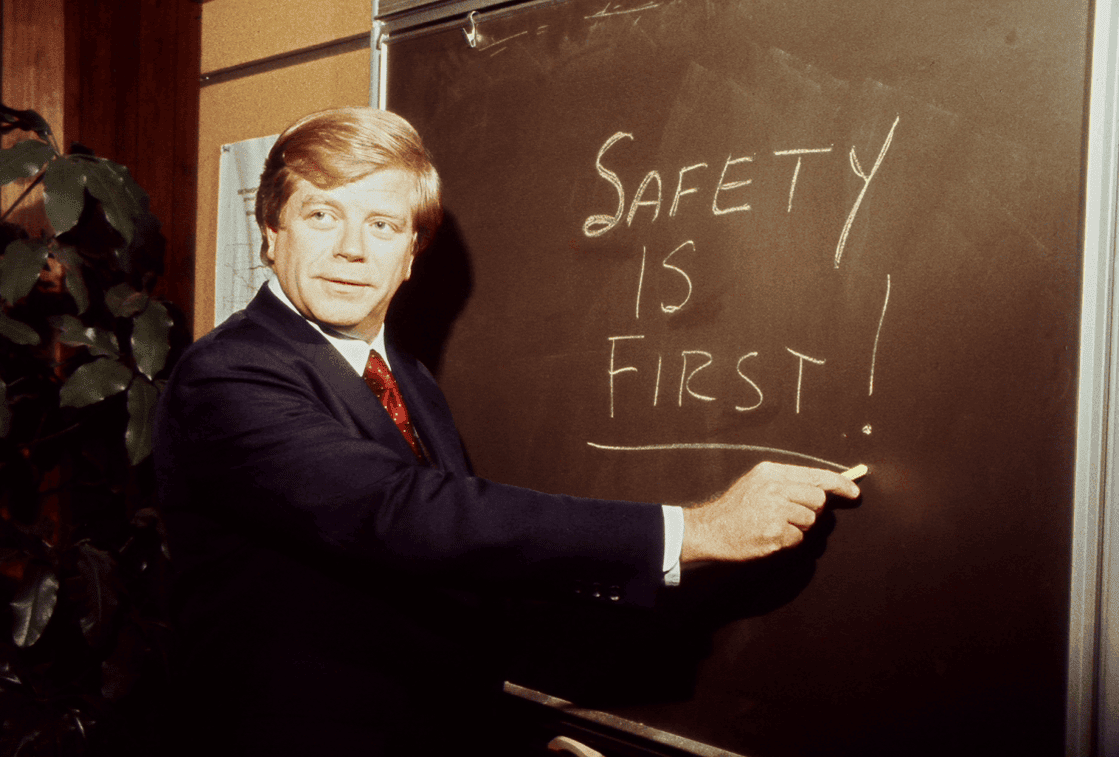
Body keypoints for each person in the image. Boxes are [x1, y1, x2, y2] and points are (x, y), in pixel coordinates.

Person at [152, 106, 859, 756]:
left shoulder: (403, 375)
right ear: (271, 233)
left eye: (382, 224)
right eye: (321, 214)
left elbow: (453, 580)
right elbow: (402, 515)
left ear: (410, 254)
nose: (350, 249)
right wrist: (695, 530)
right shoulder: (230, 375)